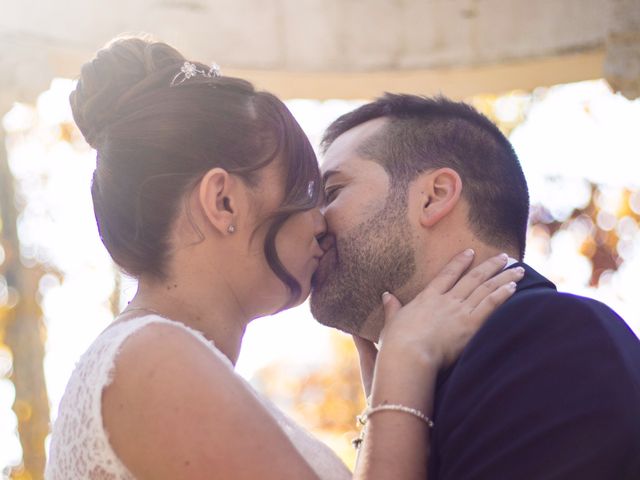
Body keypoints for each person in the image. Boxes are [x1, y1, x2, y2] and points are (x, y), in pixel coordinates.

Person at [45, 37, 524, 480]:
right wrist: (404, 369)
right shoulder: (153, 362)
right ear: (223, 202)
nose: (322, 221)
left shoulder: (154, 361)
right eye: (309, 190)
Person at [310, 94, 640, 479]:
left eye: (332, 193)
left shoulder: (552, 337)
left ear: (434, 197)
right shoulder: (435, 375)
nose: (313, 224)